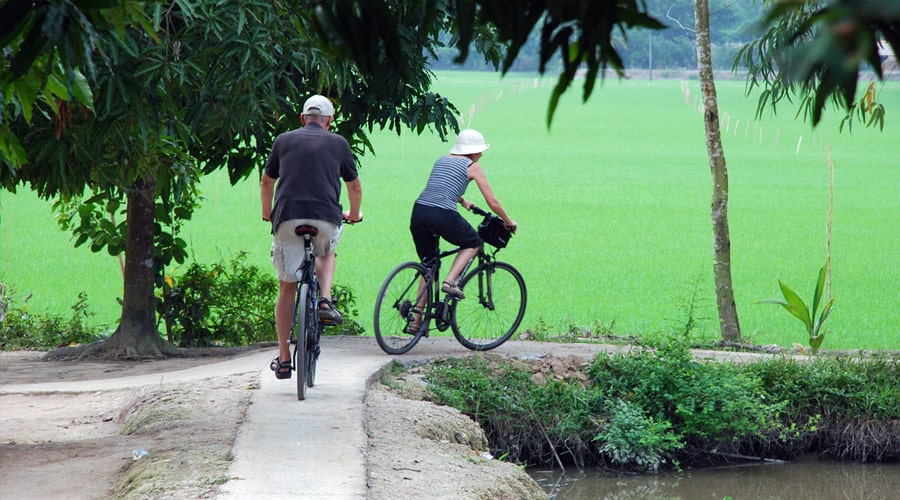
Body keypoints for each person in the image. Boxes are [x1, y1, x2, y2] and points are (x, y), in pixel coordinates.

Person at [260, 94, 362, 379]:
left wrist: (267, 211)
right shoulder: (339, 143)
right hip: (326, 217)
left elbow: (267, 181)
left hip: (287, 218)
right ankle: (325, 301)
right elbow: (354, 186)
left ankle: (282, 358)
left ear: (303, 118)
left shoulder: (283, 140)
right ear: (329, 121)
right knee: (326, 252)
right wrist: (353, 214)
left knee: (287, 286)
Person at [407, 128, 517, 331]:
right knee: (473, 242)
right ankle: (450, 281)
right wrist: (508, 221)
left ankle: (416, 320)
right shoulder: (472, 166)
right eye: (480, 151)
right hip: (442, 214)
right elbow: (491, 200)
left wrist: (463, 200)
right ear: (473, 151)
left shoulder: (441, 160)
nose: (481, 155)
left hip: (419, 211)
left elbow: (440, 187)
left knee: (428, 265)